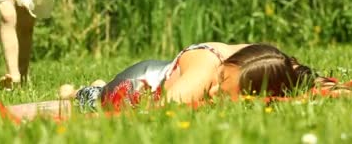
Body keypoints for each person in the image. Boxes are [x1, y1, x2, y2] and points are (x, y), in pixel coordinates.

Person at [70, 42, 314, 110]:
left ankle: (96, 84)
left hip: (163, 70)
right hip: (138, 85)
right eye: (219, 80)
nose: (215, 91)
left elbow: (290, 67)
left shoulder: (262, 59)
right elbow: (157, 115)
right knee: (92, 98)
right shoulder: (199, 78)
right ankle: (77, 90)